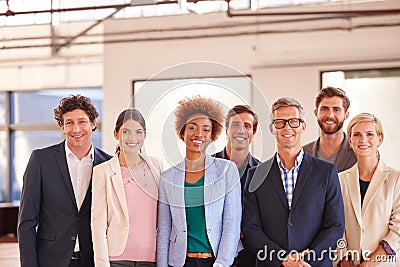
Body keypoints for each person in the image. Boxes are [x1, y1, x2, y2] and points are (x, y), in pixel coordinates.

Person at [242, 97, 345, 267]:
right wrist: (282, 258)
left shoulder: (326, 172)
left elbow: (335, 225)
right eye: (280, 122)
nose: (287, 127)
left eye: (293, 121)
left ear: (303, 126)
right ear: (272, 128)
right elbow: (251, 228)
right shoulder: (255, 175)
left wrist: (306, 259)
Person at [18, 95, 112, 267]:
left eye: (82, 121)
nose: (76, 129)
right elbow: (26, 223)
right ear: (62, 126)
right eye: (69, 123)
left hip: (93, 260)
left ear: (93, 124)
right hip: (51, 260)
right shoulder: (41, 160)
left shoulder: (108, 164)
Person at [157, 96, 242, 267]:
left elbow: (232, 223)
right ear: (182, 131)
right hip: (180, 262)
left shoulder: (226, 170)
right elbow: (164, 229)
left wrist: (222, 263)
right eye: (192, 127)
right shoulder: (168, 177)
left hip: (215, 261)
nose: (199, 134)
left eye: (206, 129)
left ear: (213, 134)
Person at [91, 108, 162, 267]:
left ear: (144, 135)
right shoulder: (102, 172)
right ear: (116, 134)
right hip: (117, 258)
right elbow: (98, 225)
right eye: (126, 132)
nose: (132, 138)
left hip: (152, 257)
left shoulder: (156, 166)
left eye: (138, 132)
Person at [337, 113, 399, 267]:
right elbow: (335, 224)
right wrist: (344, 261)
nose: (363, 140)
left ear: (380, 139)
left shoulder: (396, 178)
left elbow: (398, 228)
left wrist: (369, 263)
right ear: (350, 141)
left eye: (369, 134)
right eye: (357, 135)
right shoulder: (339, 180)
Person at [213, 104, 260, 267]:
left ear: (253, 132)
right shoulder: (207, 167)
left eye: (247, 126)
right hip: (213, 251)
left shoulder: (263, 173)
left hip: (250, 254)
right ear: (226, 130)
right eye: (235, 124)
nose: (241, 130)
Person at [303, 86, 357, 172]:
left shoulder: (358, 153)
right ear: (316, 113)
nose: (330, 115)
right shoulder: (302, 153)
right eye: (325, 109)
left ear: (346, 115)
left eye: (336, 110)